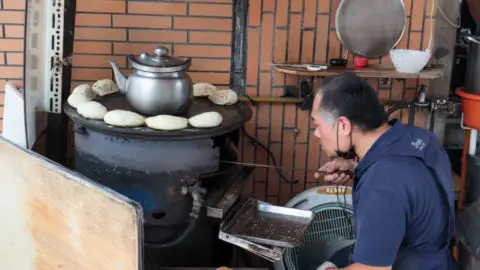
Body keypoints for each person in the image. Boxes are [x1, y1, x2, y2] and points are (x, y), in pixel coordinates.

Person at [310, 73, 457, 270]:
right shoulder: (419, 138)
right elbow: (408, 184)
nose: (316, 134)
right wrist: (355, 167)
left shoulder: (381, 183)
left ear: (344, 125)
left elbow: (372, 269)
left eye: (317, 125)